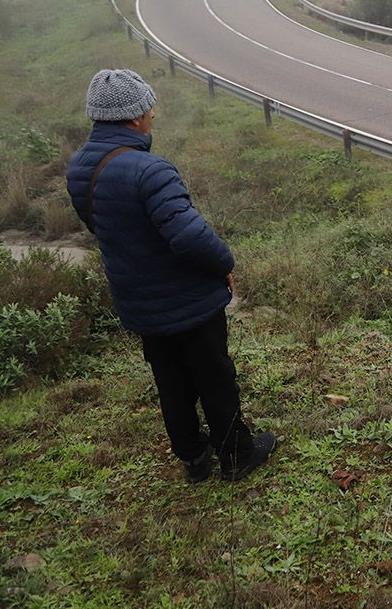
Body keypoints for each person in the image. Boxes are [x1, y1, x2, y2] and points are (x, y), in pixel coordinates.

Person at [66, 68, 276, 482]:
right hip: (189, 299)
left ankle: (194, 461)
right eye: (148, 109)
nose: (153, 116)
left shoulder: (80, 170)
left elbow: (105, 228)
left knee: (171, 381)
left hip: (138, 301)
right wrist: (225, 265)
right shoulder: (150, 170)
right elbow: (190, 237)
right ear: (133, 117)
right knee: (215, 376)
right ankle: (237, 454)